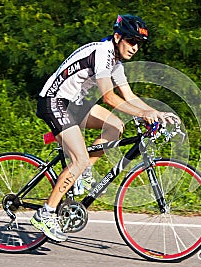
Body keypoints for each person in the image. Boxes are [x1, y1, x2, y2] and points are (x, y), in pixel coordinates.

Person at [30, 14, 177, 242]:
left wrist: (155, 112)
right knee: (78, 160)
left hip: (74, 105)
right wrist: (142, 114)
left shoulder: (116, 62)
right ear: (118, 37)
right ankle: (46, 213)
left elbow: (128, 95)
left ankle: (83, 173)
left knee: (115, 126)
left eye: (138, 43)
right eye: (131, 41)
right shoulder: (102, 53)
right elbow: (109, 97)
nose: (135, 47)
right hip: (54, 101)